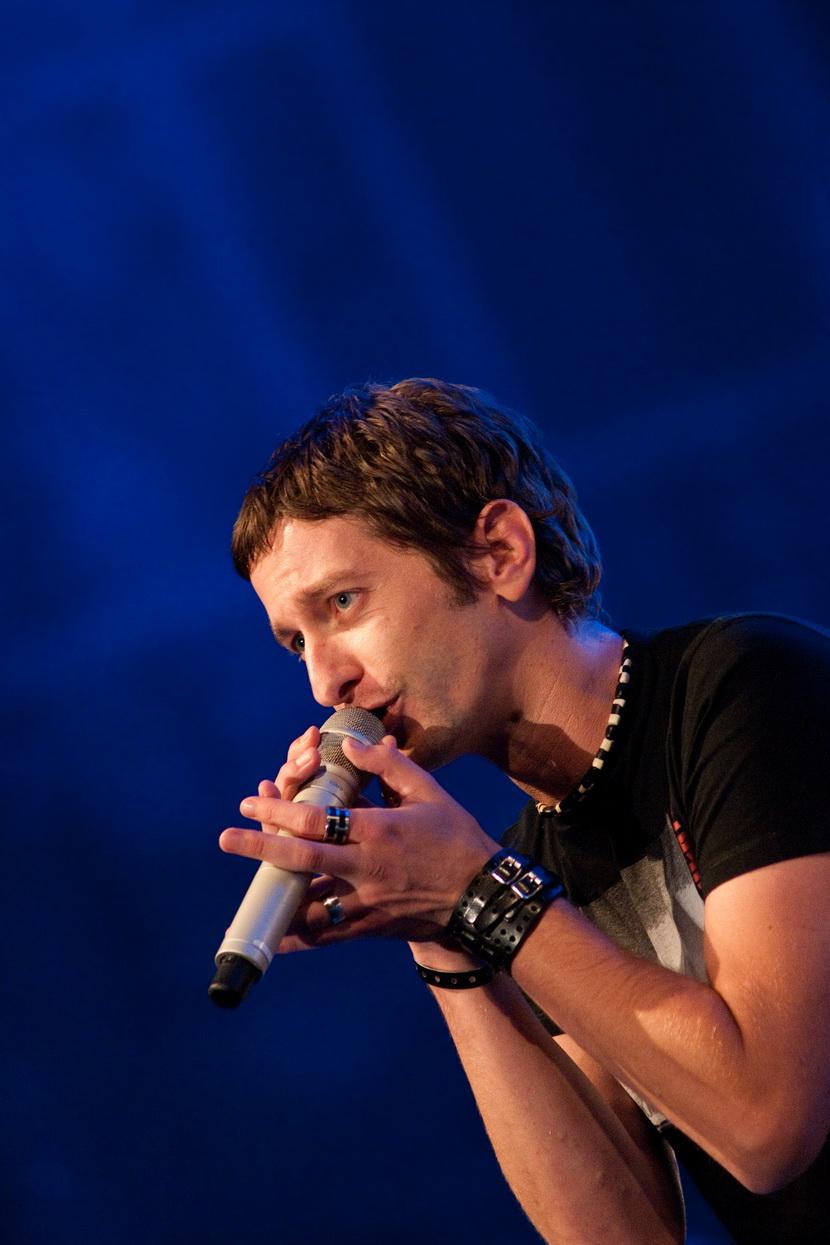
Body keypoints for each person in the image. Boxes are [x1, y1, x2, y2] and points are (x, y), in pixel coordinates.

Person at [218, 378, 830, 1244]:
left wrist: (478, 892)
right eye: (296, 642)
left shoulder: (745, 686)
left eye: (343, 602)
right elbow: (619, 1235)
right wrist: (442, 932)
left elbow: (769, 1125)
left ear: (499, 552)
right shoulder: (522, 867)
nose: (325, 681)